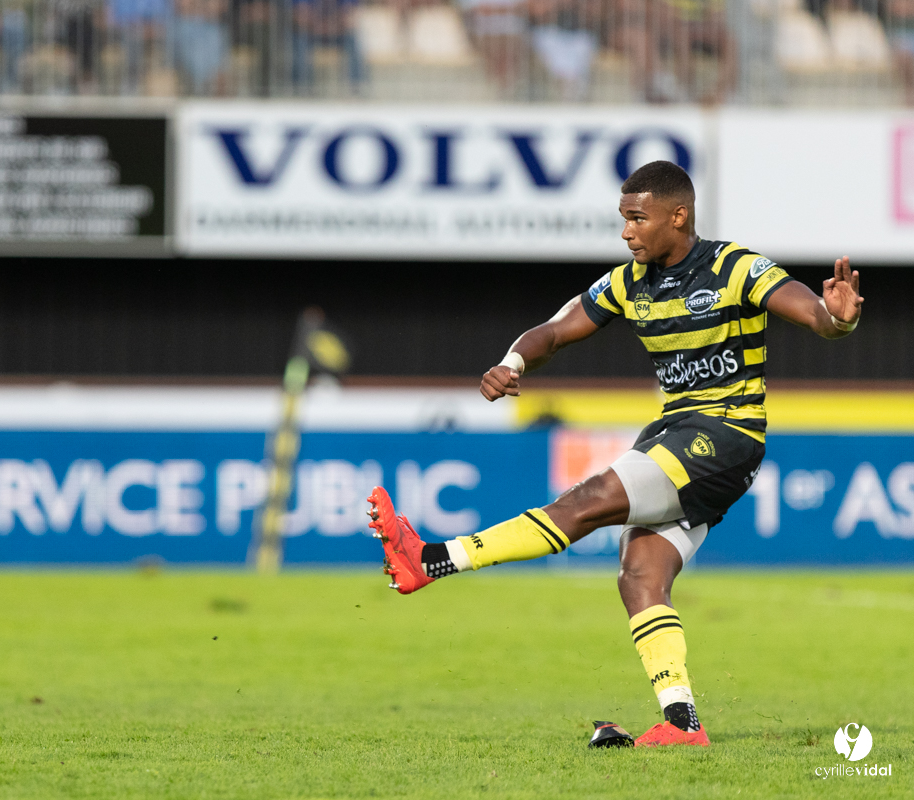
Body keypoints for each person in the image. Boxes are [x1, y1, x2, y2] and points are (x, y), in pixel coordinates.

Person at [368, 160, 863, 748]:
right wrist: (512, 361)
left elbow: (813, 314)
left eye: (637, 218)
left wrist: (836, 320)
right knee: (640, 574)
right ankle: (682, 722)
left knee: (589, 499)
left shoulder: (734, 267)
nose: (627, 232)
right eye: (623, 219)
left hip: (726, 434)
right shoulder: (628, 283)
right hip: (677, 433)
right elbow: (555, 331)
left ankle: (432, 559)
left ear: (677, 217)